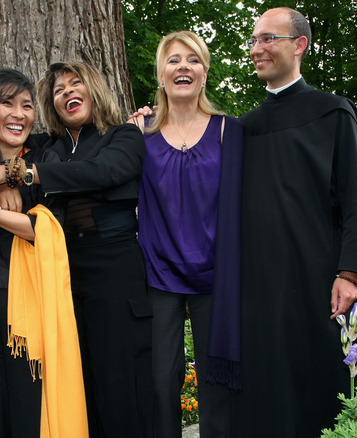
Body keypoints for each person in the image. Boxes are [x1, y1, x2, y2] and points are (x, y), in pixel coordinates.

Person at [0, 62, 152, 438]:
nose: (68, 92)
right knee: (75, 388)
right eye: (58, 90)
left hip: (115, 272)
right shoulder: (46, 147)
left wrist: (25, 174)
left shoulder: (125, 136)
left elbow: (103, 172)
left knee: (121, 391)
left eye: (76, 83)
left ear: (95, 88)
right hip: (62, 276)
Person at [224, 7, 357, 437]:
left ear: (299, 45)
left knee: (328, 387)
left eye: (268, 38)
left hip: (322, 280)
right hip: (262, 288)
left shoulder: (333, 112)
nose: (257, 49)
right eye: (254, 41)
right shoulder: (243, 128)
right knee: (269, 391)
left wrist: (350, 272)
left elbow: (355, 200)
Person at [0, 68, 85, 437]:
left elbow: (50, 230)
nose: (18, 114)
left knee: (30, 405)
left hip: (30, 299)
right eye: (6, 104)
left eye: (26, 106)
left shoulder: (48, 161)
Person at [130, 31, 242, 438]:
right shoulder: (139, 133)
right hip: (158, 274)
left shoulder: (230, 130)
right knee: (162, 379)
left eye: (193, 60)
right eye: (173, 60)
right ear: (161, 74)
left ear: (205, 72)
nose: (183, 67)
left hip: (216, 275)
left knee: (217, 379)